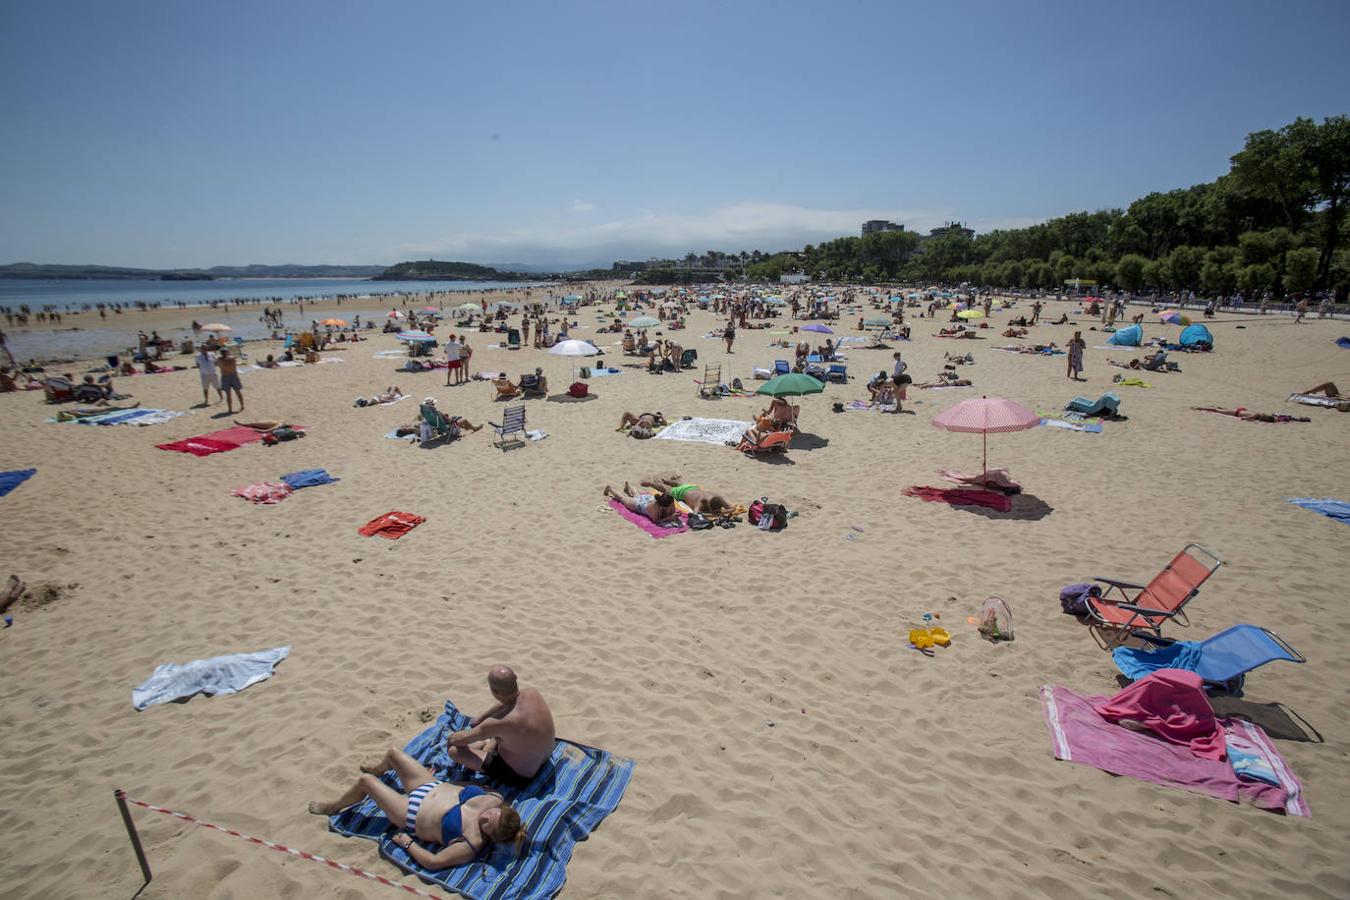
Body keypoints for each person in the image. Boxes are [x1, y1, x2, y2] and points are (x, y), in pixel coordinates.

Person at [308, 746, 524, 870]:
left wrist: (408, 844)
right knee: (393, 753)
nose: (484, 817)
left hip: (410, 811)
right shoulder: (495, 798)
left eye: (486, 825)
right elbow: (470, 786)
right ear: (502, 809)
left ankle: (333, 807)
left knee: (366, 782)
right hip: (429, 785)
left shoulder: (471, 843)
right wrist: (446, 785)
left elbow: (433, 862)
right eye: (490, 815)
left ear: (491, 837)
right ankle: (378, 768)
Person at [447, 665, 557, 787]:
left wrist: (452, 738)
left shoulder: (498, 723)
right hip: (546, 757)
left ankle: (486, 746)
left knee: (454, 751)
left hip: (521, 775)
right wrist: (480, 719)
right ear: (516, 677)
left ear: (493, 691)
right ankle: (488, 745)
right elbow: (507, 704)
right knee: (502, 733)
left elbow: (458, 740)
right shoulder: (532, 692)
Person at [640, 476, 735, 515]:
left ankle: (667, 481)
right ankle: (652, 484)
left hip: (692, 488)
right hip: (681, 493)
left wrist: (722, 512)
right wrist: (715, 513)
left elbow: (733, 508)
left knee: (680, 484)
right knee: (667, 489)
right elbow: (695, 513)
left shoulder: (719, 498)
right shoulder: (702, 501)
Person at [603, 482, 680, 524]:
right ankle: (610, 489)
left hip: (647, 498)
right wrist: (669, 518)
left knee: (637, 495)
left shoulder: (669, 499)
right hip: (639, 505)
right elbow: (655, 520)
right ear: (662, 506)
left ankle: (629, 485)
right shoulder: (655, 507)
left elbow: (673, 511)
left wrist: (672, 514)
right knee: (623, 499)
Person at [218, 348, 244, 413]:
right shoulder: (232, 359)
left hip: (226, 376)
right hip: (232, 376)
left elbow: (219, 365)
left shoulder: (220, 359)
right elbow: (233, 358)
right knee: (237, 392)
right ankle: (241, 406)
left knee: (229, 394)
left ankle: (230, 409)